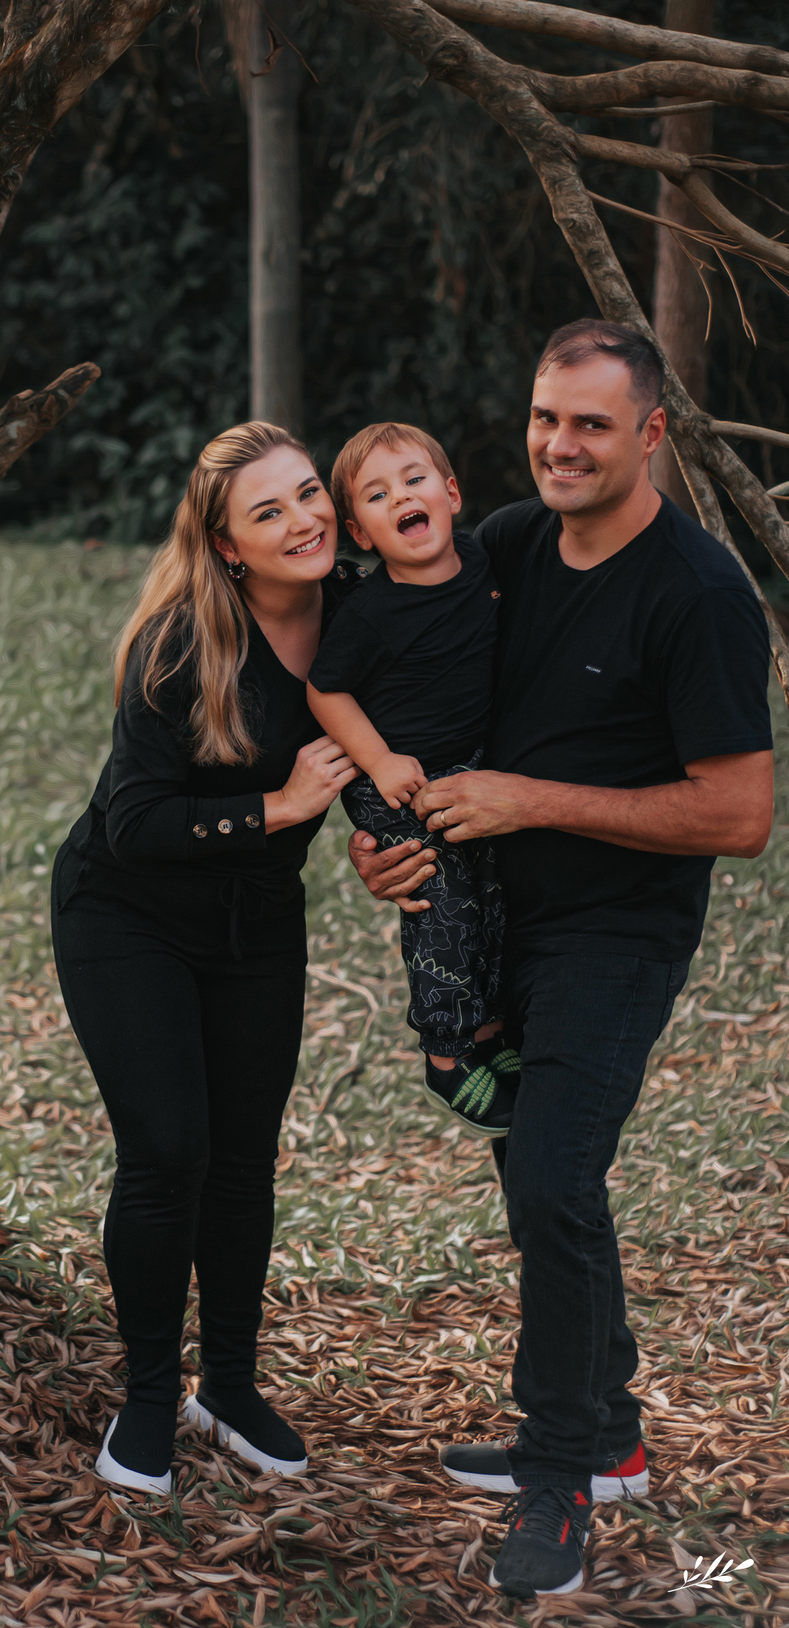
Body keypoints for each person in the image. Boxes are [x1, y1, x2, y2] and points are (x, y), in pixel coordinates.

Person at [348, 320, 774, 1600]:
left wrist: (532, 799)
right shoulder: (513, 549)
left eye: (592, 423)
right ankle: (613, 1430)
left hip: (618, 932)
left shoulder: (698, 594)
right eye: (545, 417)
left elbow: (738, 815)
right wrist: (384, 842)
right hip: (493, 916)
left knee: (550, 1170)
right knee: (541, 1172)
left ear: (652, 435)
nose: (560, 444)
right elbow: (420, 713)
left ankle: (557, 1480)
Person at [51, 421, 364, 1496]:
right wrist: (277, 807)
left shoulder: (363, 613)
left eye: (310, 492)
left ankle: (227, 1383)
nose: (303, 518)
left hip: (257, 925)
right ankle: (147, 1395)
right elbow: (134, 821)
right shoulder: (182, 644)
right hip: (126, 914)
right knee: (169, 1149)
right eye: (268, 511)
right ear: (229, 547)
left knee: (242, 1156)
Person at [305, 420, 512, 1135]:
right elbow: (325, 692)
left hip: (468, 767)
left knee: (494, 888)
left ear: (451, 494)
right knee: (444, 897)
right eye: (378, 494)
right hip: (394, 777)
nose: (402, 498)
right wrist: (379, 760)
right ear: (361, 532)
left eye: (415, 480)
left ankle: (487, 1033)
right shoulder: (370, 612)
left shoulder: (485, 566)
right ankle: (447, 1052)